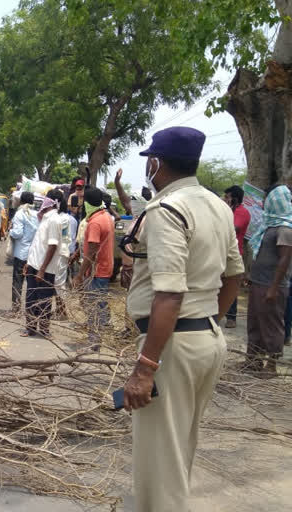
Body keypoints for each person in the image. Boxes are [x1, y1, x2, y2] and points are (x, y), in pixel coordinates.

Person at [123, 127, 243, 511]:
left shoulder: (168, 209)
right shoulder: (217, 206)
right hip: (205, 338)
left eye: (149, 162)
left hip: (171, 346)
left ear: (156, 163)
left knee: (160, 465)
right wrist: (207, 321)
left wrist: (146, 367)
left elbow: (170, 294)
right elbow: (234, 275)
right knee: (176, 453)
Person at [244, 184, 292, 376]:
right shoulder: (269, 225)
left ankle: (271, 365)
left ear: (275, 201)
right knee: (255, 321)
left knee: (272, 324)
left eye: (267, 199)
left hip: (272, 285)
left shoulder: (285, 228)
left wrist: (273, 288)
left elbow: (284, 261)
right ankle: (252, 361)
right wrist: (251, 276)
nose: (264, 203)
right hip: (259, 282)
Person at [74, 187, 115, 350]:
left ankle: (94, 342)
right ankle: (97, 337)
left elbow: (91, 251)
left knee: (93, 307)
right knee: (99, 305)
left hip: (96, 271)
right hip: (105, 268)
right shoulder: (106, 217)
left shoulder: (95, 223)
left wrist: (80, 274)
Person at [22, 189, 64, 337]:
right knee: (31, 298)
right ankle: (31, 328)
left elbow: (52, 245)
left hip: (44, 269)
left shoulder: (54, 220)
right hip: (35, 265)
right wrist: (29, 262)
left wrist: (42, 269)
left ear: (51, 201)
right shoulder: (45, 218)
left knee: (44, 300)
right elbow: (38, 244)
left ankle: (45, 329)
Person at [7, 191, 39, 316]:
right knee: (31, 283)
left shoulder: (20, 213)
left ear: (21, 201)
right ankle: (30, 310)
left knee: (18, 281)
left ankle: (15, 309)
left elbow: (18, 233)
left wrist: (10, 231)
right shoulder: (37, 214)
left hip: (21, 253)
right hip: (33, 254)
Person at [223, 185, 251, 329]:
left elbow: (234, 228)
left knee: (230, 284)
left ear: (235, 198)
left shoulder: (242, 212)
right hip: (220, 252)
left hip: (233, 254)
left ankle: (231, 317)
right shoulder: (227, 211)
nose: (224, 199)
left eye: (227, 197)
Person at [54, 193, 78, 319]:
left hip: (61, 253)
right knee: (61, 282)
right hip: (68, 252)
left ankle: (62, 311)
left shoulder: (60, 220)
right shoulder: (72, 220)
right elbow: (72, 238)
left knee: (59, 283)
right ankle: (59, 310)